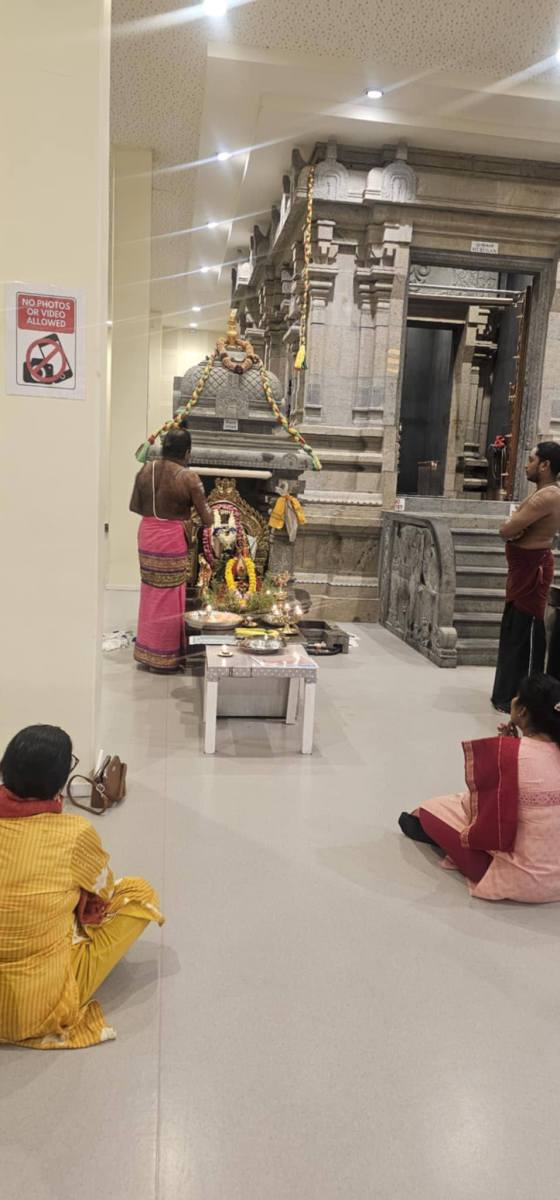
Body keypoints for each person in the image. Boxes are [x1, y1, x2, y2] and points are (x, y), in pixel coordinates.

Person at [0, 724, 164, 1049]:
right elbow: (105, 890)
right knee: (139, 893)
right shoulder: (74, 833)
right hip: (33, 1010)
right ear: (59, 782)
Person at [399, 673, 560, 902]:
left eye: (516, 697)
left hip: (522, 880)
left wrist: (507, 748)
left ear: (523, 710)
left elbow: (485, 822)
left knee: (429, 810)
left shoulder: (508, 754)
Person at [129, 427, 213, 672]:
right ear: (187, 453)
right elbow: (207, 518)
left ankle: (146, 652)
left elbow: (135, 506)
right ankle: (164, 658)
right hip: (171, 539)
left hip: (147, 535)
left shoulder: (145, 470)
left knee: (151, 592)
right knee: (169, 596)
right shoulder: (189, 477)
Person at [491, 441, 560, 712]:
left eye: (531, 460)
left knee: (525, 633)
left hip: (533, 570)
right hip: (523, 569)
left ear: (545, 465)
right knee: (514, 631)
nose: (526, 465)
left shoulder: (548, 496)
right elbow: (512, 527)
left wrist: (512, 526)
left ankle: (524, 697)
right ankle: (507, 694)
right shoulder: (542, 494)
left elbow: (507, 530)